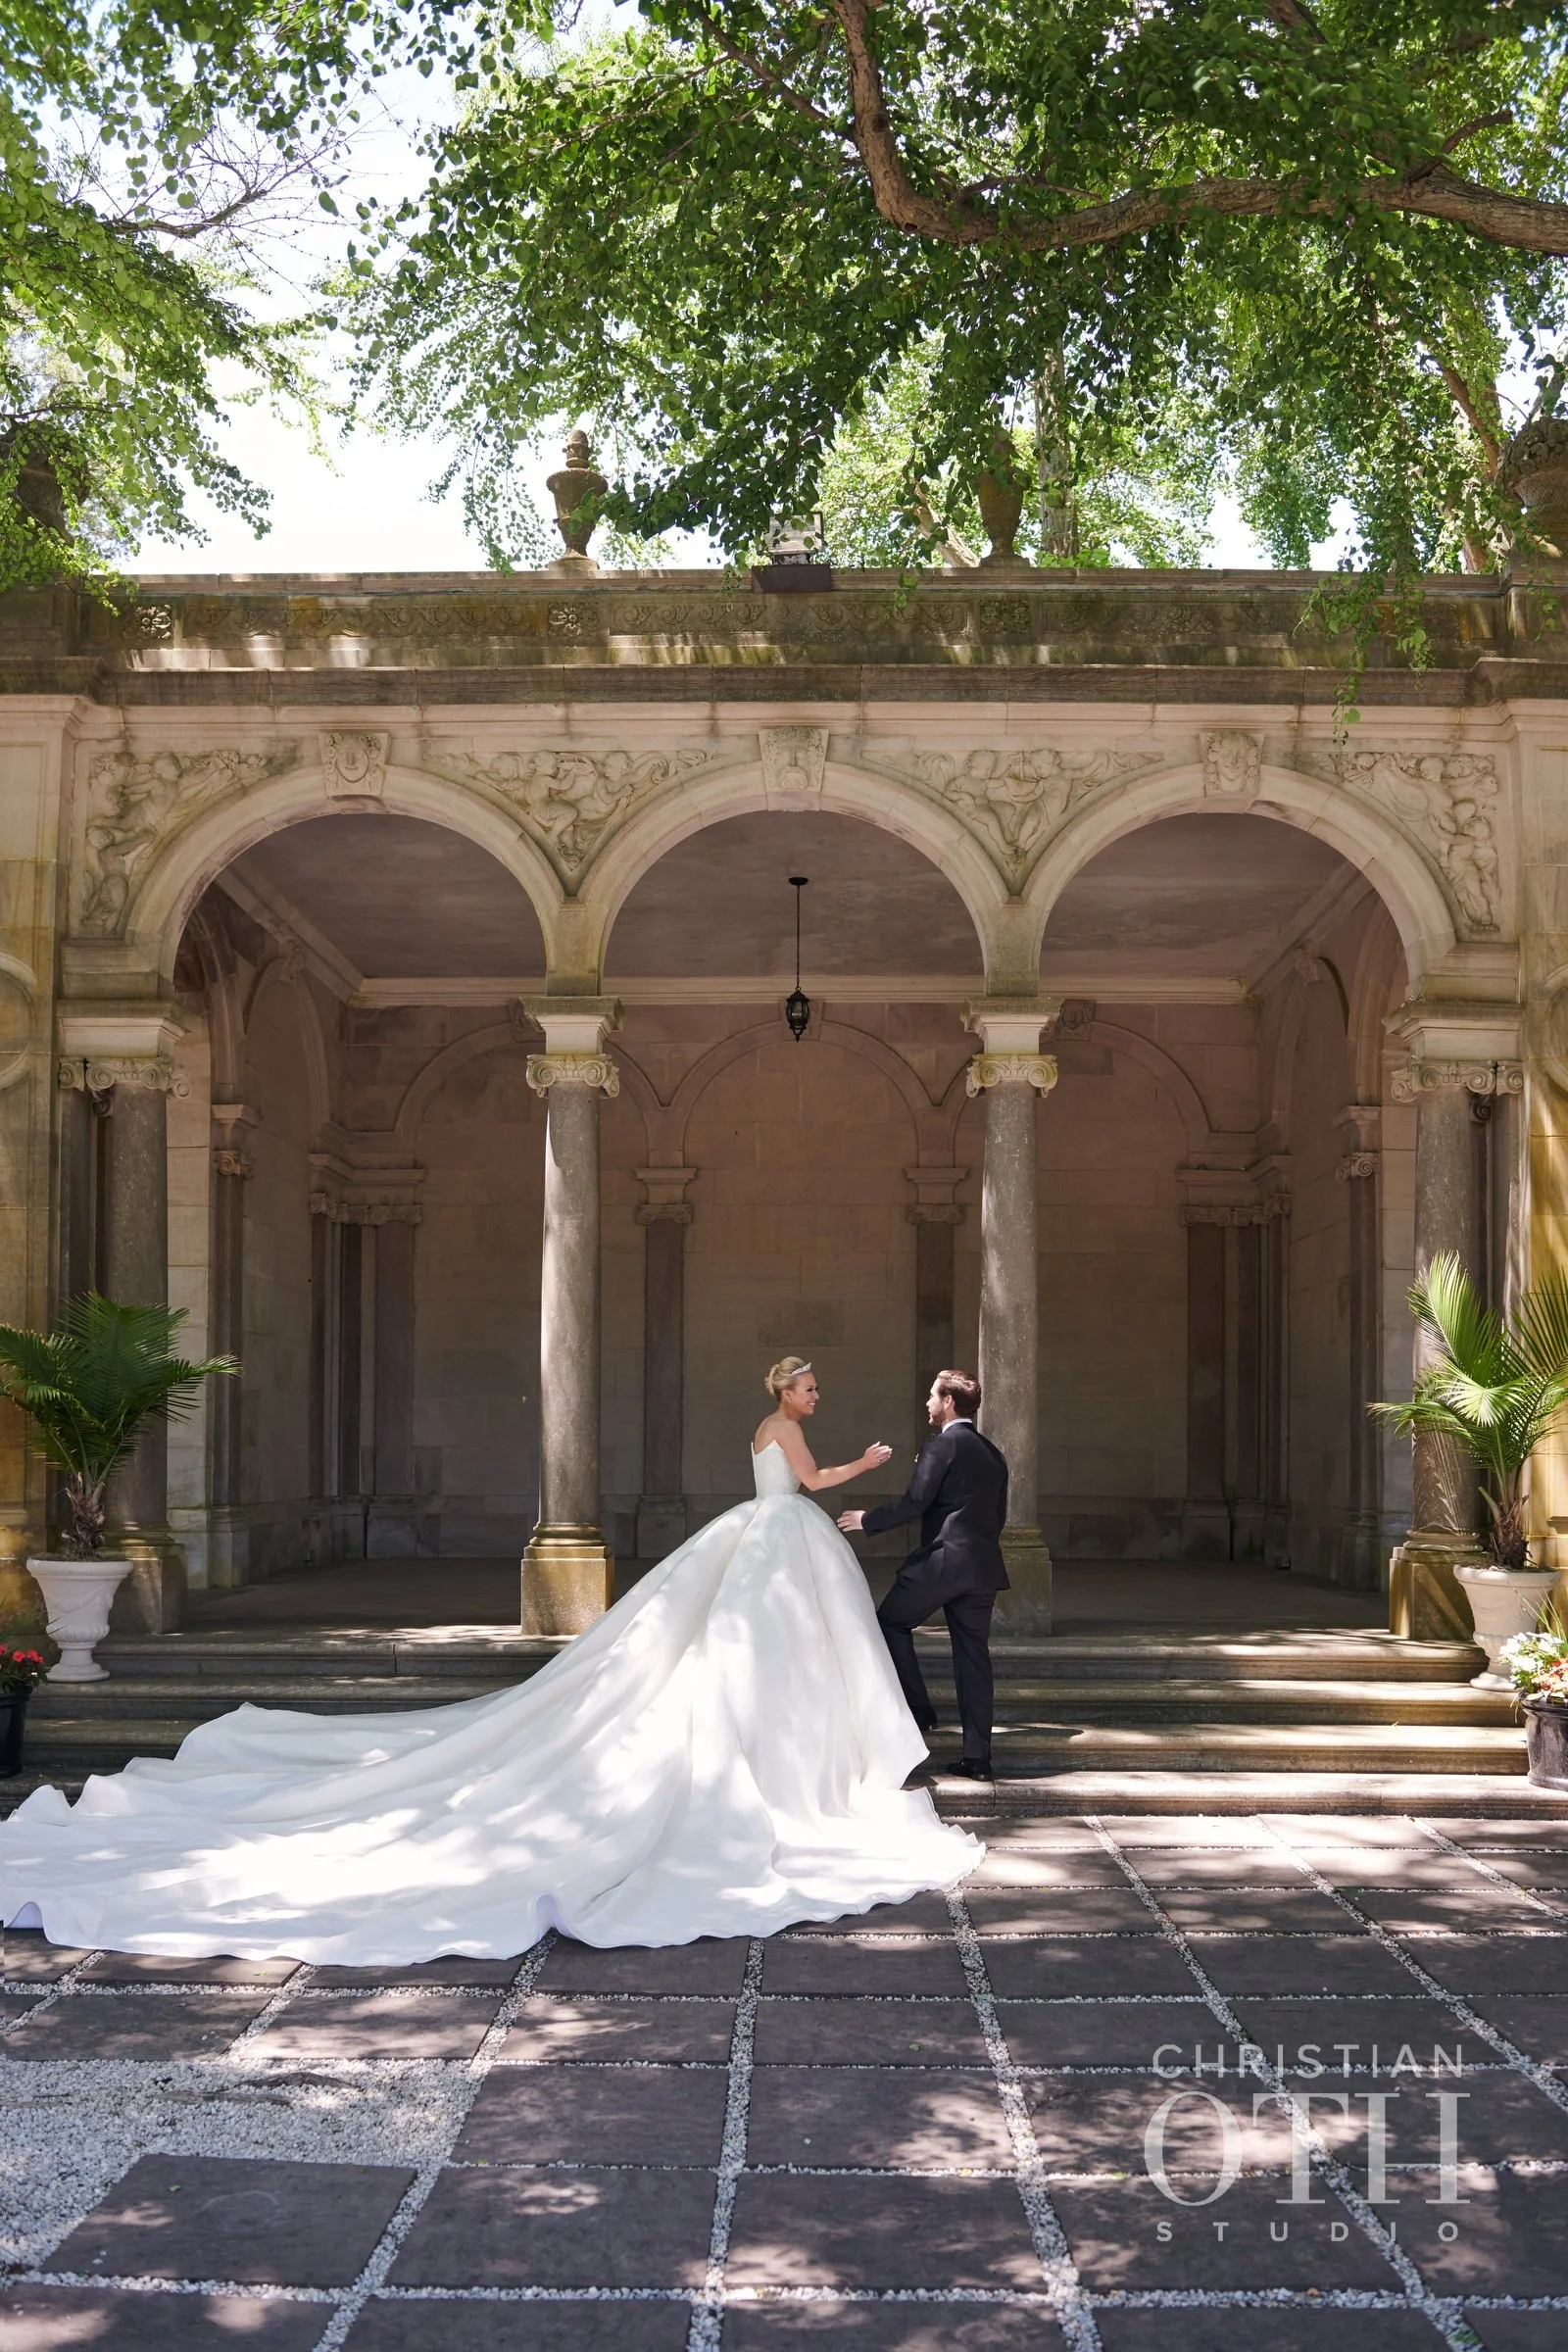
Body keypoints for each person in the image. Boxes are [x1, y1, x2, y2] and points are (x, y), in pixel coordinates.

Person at [0, 1357, 980, 1962]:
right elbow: (808, 1483)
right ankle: (807, 1763)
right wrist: (869, 1466)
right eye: (808, 1385)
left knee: (768, 1650)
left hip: (770, 1538)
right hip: (779, 1535)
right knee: (763, 1645)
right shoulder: (788, 1434)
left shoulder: (767, 1427)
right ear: (786, 1389)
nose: (814, 1394)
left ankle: (806, 1749)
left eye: (811, 1389)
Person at [839, 1369, 1007, 1784]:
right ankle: (978, 1760)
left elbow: (915, 1502)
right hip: (982, 1567)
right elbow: (998, 1515)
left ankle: (918, 1709)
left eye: (932, 1396)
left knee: (890, 1622)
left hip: (943, 1563)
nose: (927, 1403)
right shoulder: (992, 1452)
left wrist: (868, 1519)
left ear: (949, 1401)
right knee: (973, 1659)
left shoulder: (941, 1445)